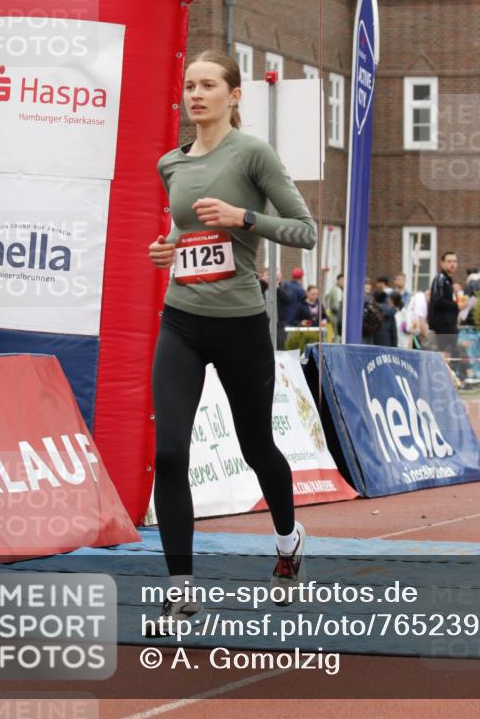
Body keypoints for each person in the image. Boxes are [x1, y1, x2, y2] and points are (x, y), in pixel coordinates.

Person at [146, 51, 317, 630]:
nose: (197, 94)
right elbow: (184, 228)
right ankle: (180, 586)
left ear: (234, 95)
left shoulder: (253, 154)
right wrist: (167, 247)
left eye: (210, 85)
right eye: (190, 85)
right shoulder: (170, 162)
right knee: (169, 451)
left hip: (241, 323)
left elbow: (305, 231)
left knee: (256, 447)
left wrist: (244, 217)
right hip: (182, 320)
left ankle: (289, 541)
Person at [428, 251, 462, 360]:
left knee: (452, 359)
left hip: (450, 327)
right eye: (449, 261)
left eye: (455, 261)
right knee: (444, 360)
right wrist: (457, 306)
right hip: (442, 329)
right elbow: (437, 301)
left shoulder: (448, 281)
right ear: (442, 263)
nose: (452, 264)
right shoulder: (440, 279)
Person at [325, 273, 344, 341]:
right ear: (338, 280)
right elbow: (337, 306)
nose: (343, 283)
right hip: (336, 316)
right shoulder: (337, 290)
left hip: (333, 315)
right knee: (338, 335)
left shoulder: (334, 289)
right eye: (342, 281)